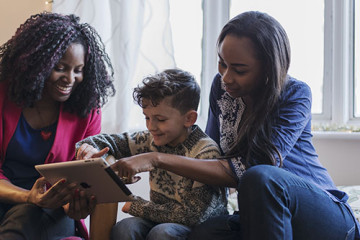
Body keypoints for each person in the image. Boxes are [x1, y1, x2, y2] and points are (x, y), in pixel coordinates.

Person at [109, 11, 360, 240]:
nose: (226, 77)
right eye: (222, 64)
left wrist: (156, 159)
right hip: (258, 215)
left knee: (260, 176)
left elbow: (253, 168)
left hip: (324, 217)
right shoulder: (221, 89)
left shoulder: (295, 93)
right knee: (201, 235)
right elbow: (211, 155)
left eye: (239, 70)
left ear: (268, 69)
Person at [0, 12, 115, 240]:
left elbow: (77, 179)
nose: (70, 78)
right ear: (36, 64)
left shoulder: (87, 110)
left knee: (22, 221)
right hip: (6, 195)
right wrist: (28, 196)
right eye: (61, 68)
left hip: (51, 208)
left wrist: (75, 201)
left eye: (78, 70)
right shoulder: (3, 96)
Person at [75, 69, 228, 240]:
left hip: (200, 228)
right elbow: (105, 141)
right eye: (147, 118)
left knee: (161, 233)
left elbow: (194, 216)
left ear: (189, 119)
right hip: (159, 218)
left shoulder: (205, 152)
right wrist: (88, 149)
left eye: (160, 119)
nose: (151, 126)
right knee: (125, 228)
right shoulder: (151, 139)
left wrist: (136, 205)